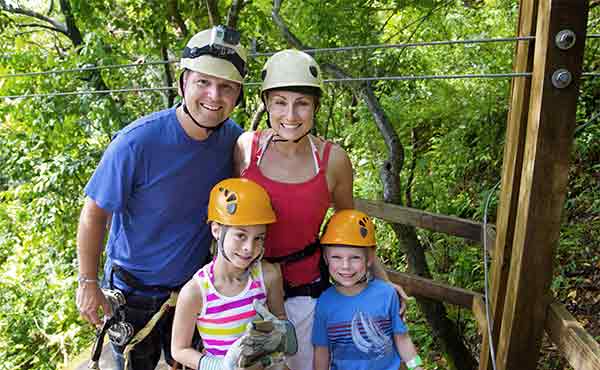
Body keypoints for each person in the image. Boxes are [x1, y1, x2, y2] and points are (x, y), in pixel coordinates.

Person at [75, 25, 247, 370]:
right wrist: (88, 282)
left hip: (194, 289)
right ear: (183, 83)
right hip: (132, 291)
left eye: (226, 87)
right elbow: (94, 214)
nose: (214, 96)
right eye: (203, 82)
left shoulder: (234, 143)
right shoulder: (137, 143)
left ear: (238, 95)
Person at [234, 49, 407, 370]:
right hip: (247, 289)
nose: (290, 114)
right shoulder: (246, 149)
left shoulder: (333, 161)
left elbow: (350, 229)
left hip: (304, 294)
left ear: (315, 106)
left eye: (301, 103)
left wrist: (382, 281)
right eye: (280, 102)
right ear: (266, 104)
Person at [172, 178, 297, 370]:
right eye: (241, 235)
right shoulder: (195, 292)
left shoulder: (268, 276)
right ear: (216, 229)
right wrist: (218, 366)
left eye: (259, 238)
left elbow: (280, 317)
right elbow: (179, 349)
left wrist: (283, 331)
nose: (249, 248)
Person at [313, 209, 424, 370]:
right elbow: (321, 350)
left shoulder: (387, 294)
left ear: (370, 258)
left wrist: (416, 367)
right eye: (336, 257)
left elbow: (402, 339)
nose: (346, 266)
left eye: (355, 257)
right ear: (325, 258)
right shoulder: (325, 302)